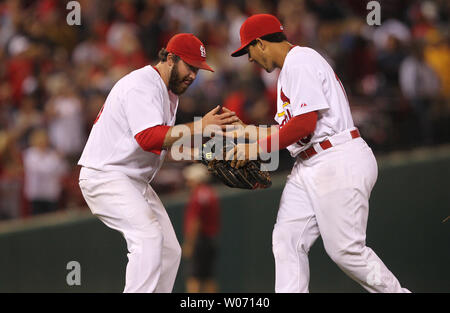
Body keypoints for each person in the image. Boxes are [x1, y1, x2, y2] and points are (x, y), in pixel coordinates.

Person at [227, 14, 410, 293]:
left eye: (248, 50)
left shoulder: (300, 61)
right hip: (311, 163)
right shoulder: (289, 69)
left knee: (346, 251)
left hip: (336, 158)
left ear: (261, 43)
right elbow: (291, 130)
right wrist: (248, 133)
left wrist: (255, 148)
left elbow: (304, 124)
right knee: (286, 238)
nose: (249, 58)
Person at [78, 33, 239, 293]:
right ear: (171, 58)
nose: (193, 76)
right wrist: (200, 127)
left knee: (169, 251)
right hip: (106, 176)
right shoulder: (143, 84)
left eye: (198, 70)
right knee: (148, 237)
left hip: (132, 179)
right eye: (190, 67)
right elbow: (147, 137)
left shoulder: (168, 91)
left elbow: (165, 142)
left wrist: (210, 151)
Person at [182, 163, 220, 293]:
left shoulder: (198, 195)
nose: (188, 183)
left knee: (194, 278)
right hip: (210, 240)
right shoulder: (210, 193)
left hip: (200, 241)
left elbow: (195, 221)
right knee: (208, 277)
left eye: (190, 179)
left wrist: (189, 243)